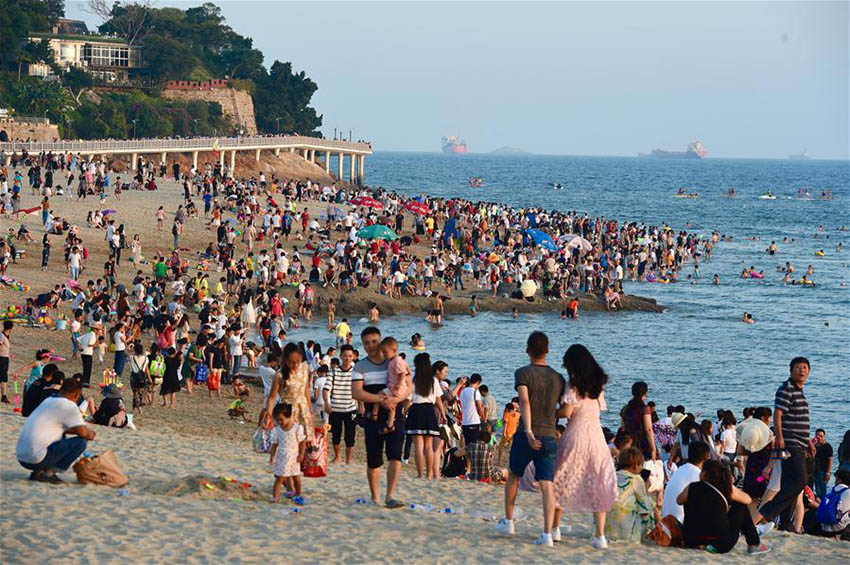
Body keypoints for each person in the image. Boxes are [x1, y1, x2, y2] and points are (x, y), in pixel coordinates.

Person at [496, 331, 566, 547]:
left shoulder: (523, 373)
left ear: (527, 350)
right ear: (548, 350)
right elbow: (563, 409)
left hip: (527, 434)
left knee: (514, 476)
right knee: (547, 485)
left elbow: (524, 401)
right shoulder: (558, 378)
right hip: (548, 434)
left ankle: (508, 521)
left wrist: (527, 430)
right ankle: (547, 533)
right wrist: (551, 416)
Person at [551, 344, 618, 549]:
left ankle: (555, 528)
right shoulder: (598, 384)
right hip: (596, 435)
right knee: (598, 481)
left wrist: (551, 412)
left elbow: (567, 412)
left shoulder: (573, 385)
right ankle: (600, 535)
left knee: (561, 478)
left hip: (576, 433)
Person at [351, 326, 410, 508]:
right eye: (367, 343)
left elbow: (410, 385)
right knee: (374, 459)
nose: (371, 346)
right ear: (362, 345)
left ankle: (390, 496)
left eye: (374, 342)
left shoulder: (393, 361)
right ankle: (375, 497)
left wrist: (396, 400)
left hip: (395, 415)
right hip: (372, 417)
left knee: (395, 456)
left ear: (381, 340)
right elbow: (356, 392)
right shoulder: (360, 366)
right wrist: (380, 399)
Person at [753, 357, 811, 533]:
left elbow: (798, 418)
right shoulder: (786, 389)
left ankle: (778, 524)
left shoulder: (799, 391)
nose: (802, 370)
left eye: (805, 368)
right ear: (790, 370)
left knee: (788, 485)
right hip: (790, 443)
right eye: (798, 367)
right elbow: (778, 414)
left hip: (798, 442)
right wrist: (779, 437)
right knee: (800, 481)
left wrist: (807, 440)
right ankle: (767, 513)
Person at [679, 460, 770, 555]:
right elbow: (748, 500)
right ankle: (754, 544)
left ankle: (701, 544)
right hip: (720, 544)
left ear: (704, 474)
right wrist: (730, 488)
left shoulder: (692, 487)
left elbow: (679, 500)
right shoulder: (724, 488)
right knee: (740, 506)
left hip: (691, 541)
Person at [15, 378, 96, 483]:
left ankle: (37, 472)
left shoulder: (48, 400)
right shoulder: (69, 405)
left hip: (22, 456)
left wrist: (76, 431)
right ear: (77, 395)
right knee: (80, 442)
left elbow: (57, 428)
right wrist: (91, 434)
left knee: (60, 434)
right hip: (36, 458)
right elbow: (83, 433)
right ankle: (49, 474)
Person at [405, 352, 446, 479]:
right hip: (429, 411)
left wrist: (404, 412)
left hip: (416, 410)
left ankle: (420, 474)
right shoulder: (433, 380)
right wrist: (443, 414)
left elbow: (409, 399)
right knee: (428, 446)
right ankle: (429, 474)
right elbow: (438, 400)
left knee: (418, 445)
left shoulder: (414, 380)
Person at [606, 447, 659, 543]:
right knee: (650, 503)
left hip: (607, 525)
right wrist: (646, 489)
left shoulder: (613, 475)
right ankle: (646, 533)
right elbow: (644, 503)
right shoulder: (636, 479)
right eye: (640, 465)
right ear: (635, 465)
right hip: (625, 526)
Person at [323, 344, 359, 464]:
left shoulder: (356, 372)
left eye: (350, 356)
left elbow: (360, 389)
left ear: (353, 356)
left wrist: (362, 406)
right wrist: (327, 405)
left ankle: (349, 460)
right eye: (345, 356)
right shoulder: (333, 371)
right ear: (341, 356)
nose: (347, 358)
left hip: (351, 409)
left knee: (350, 436)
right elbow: (326, 389)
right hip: (335, 409)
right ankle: (337, 456)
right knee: (336, 435)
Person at [661, 440, 711, 524]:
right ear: (707, 457)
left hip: (665, 520)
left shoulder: (680, 470)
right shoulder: (698, 475)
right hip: (679, 524)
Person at [268, 403, 306, 502]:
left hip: (294, 457)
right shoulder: (277, 430)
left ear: (288, 416)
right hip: (282, 457)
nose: (279, 422)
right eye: (277, 420)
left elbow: (302, 442)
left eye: (281, 419)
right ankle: (275, 497)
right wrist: (272, 456)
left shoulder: (297, 428)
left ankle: (298, 493)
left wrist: (302, 454)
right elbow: (274, 444)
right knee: (279, 478)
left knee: (296, 476)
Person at [372, 337, 410, 435]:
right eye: (383, 352)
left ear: (393, 350)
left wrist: (399, 383)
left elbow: (402, 373)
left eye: (385, 352)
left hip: (396, 388)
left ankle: (374, 413)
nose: (384, 355)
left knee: (380, 395)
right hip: (394, 387)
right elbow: (407, 369)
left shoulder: (397, 361)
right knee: (392, 407)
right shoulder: (395, 360)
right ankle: (390, 425)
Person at [619, 381, 657, 461]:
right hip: (642, 443)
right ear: (645, 393)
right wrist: (653, 448)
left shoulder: (625, 408)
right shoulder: (645, 409)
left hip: (628, 442)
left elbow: (622, 427)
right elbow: (648, 429)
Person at [459, 373, 485, 446]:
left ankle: (466, 457)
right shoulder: (475, 392)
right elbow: (479, 406)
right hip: (473, 421)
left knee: (467, 445)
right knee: (474, 445)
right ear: (478, 382)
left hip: (464, 422)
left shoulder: (462, 392)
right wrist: (482, 416)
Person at [812, 429, 834, 499]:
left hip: (823, 471)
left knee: (822, 489)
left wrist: (828, 472)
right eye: (817, 436)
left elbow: (830, 460)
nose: (819, 438)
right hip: (815, 470)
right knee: (817, 488)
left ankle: (823, 503)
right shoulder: (815, 446)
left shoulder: (828, 447)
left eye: (821, 436)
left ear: (824, 437)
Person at [0, 320, 12, 403]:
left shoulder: (7, 336)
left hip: (5, 358)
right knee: (2, 377)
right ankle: (3, 396)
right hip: (1, 358)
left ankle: (4, 396)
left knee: (4, 377)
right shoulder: (1, 336)